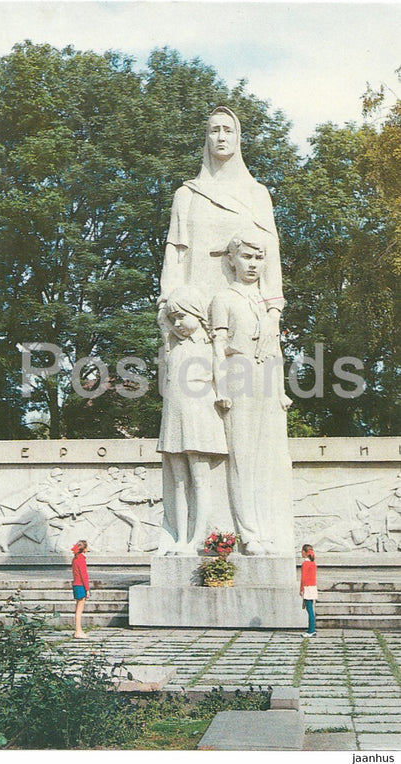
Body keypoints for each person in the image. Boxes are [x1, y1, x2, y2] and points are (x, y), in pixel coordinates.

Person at [159, 106, 284, 361]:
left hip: (245, 308)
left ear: (238, 138)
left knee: (249, 388)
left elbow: (270, 258)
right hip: (195, 309)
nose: (221, 137)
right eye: (214, 131)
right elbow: (175, 256)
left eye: (228, 130)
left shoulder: (257, 195)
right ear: (207, 138)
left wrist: (273, 313)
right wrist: (166, 305)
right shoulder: (187, 195)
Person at [212, 228, 294, 556]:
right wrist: (221, 387)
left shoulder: (266, 304)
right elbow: (218, 345)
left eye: (259, 258)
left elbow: (274, 348)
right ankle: (247, 532)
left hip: (265, 379)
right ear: (231, 260)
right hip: (237, 375)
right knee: (241, 458)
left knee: (262, 460)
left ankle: (264, 527)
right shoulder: (224, 299)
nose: (253, 264)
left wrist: (281, 389)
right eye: (246, 256)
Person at [157, 285, 226, 555]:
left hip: (199, 413)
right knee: (178, 481)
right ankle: (180, 537)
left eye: (182, 317)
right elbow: (162, 319)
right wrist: (167, 318)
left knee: (200, 480)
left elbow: (220, 374)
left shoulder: (210, 347)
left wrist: (223, 394)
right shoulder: (172, 348)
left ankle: (198, 538)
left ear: (197, 314)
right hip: (174, 413)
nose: (177, 323)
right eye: (173, 319)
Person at [71, 539, 90, 639]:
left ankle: (78, 630)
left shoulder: (75, 559)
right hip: (80, 585)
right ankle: (78, 630)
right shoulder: (81, 559)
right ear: (85, 549)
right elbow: (84, 575)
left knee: (78, 607)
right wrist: (87, 589)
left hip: (76, 584)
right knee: (79, 609)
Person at [300, 544, 318, 637]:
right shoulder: (313, 563)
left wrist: (301, 589)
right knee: (311, 608)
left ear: (304, 552)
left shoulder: (305, 564)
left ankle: (311, 630)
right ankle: (312, 628)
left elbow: (303, 578)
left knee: (309, 609)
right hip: (313, 587)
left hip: (307, 587)